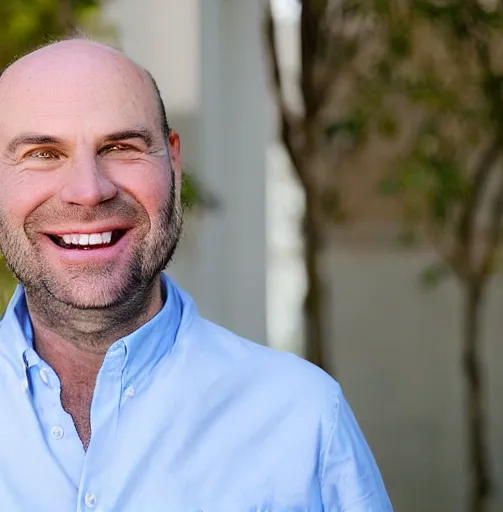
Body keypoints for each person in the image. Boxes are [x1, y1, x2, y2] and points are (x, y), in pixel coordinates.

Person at [0, 38, 393, 511]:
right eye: (42, 153)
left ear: (173, 164)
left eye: (122, 146)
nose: (88, 190)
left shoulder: (306, 419)